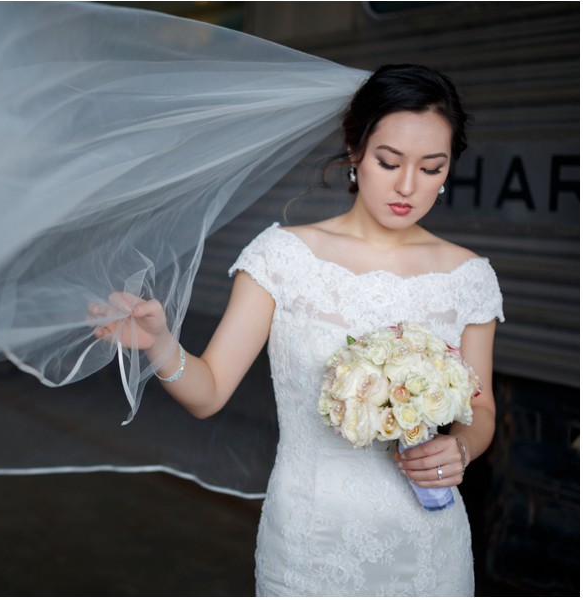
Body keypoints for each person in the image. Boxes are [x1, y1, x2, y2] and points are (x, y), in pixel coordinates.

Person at [91, 64, 504, 596]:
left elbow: (483, 409)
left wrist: (463, 449)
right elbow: (209, 392)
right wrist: (160, 344)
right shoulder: (282, 258)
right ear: (355, 150)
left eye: (431, 168)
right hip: (311, 544)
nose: (408, 186)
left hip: (428, 549)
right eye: (389, 161)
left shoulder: (468, 278)